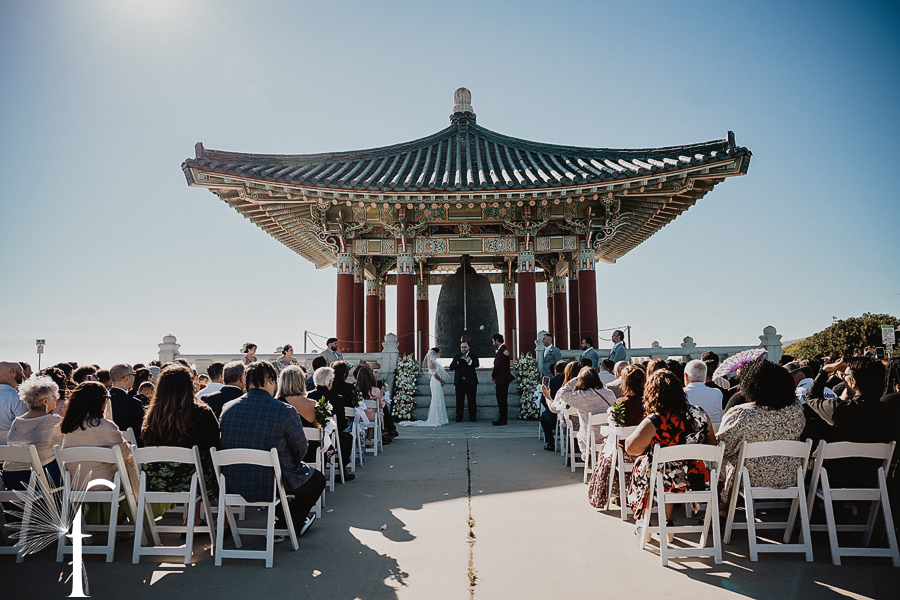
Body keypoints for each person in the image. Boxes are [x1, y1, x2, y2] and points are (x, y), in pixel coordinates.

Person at [219, 361, 326, 538]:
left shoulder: (227, 408)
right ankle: (288, 523)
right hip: (271, 481)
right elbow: (301, 448)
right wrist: (291, 461)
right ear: (271, 380)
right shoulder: (284, 410)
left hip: (233, 481)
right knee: (317, 480)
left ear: (245, 381)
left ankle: (287, 521)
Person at [626, 370, 717, 528]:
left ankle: (645, 520)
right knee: (666, 467)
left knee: (645, 463)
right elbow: (712, 447)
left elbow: (631, 448)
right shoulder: (700, 414)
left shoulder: (655, 420)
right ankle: (667, 519)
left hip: (665, 481)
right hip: (697, 480)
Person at [716, 358, 805, 506]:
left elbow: (724, 448)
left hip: (750, 479)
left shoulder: (743, 414)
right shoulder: (796, 411)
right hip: (789, 477)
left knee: (720, 458)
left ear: (751, 385)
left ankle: (721, 506)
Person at [803, 356, 896, 487]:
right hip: (872, 479)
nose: (843, 379)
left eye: (844, 376)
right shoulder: (890, 411)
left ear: (853, 382)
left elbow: (811, 397)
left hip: (834, 479)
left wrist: (823, 372)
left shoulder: (838, 409)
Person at [141, 365, 220, 500]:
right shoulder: (202, 413)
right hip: (193, 482)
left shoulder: (151, 416)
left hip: (155, 482)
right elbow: (215, 444)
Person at [1, 376, 63, 489]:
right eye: (55, 396)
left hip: (11, 478)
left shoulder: (17, 422)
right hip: (37, 479)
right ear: (45, 401)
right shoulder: (53, 421)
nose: (56, 400)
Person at [60, 382, 127, 486]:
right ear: (100, 401)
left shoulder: (69, 427)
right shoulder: (106, 426)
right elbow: (125, 454)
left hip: (76, 485)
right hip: (107, 484)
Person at [541, 366, 616, 457]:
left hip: (589, 437)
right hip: (608, 435)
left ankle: (586, 454)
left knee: (579, 435)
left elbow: (562, 393)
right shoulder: (609, 393)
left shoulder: (581, 396)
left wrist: (576, 378)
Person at [308, 366, 354, 479]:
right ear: (329, 382)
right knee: (347, 437)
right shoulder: (337, 398)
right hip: (332, 436)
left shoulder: (308, 396)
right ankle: (342, 470)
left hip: (311, 437)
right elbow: (342, 425)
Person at [402, 348, 449, 427]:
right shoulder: (432, 363)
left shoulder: (434, 362)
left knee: (438, 397)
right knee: (436, 398)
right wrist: (442, 380)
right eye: (439, 353)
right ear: (435, 354)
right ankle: (436, 418)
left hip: (436, 381)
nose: (440, 354)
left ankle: (440, 418)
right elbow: (435, 374)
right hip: (435, 381)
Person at [108, 364, 145, 446]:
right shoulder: (134, 403)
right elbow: (140, 430)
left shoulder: (102, 400)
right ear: (126, 378)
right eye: (133, 374)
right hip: (131, 448)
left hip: (106, 447)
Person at [683, 360, 724, 424]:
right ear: (706, 378)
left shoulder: (682, 394)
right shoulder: (717, 393)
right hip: (716, 429)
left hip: (691, 429)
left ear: (686, 376)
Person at [449, 340, 479, 422]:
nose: (463, 349)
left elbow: (477, 364)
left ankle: (472, 417)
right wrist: (457, 363)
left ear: (468, 347)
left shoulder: (473, 355)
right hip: (459, 382)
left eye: (465, 347)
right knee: (459, 400)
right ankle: (459, 417)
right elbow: (451, 367)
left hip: (470, 382)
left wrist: (470, 362)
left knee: (472, 400)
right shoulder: (457, 356)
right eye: (462, 347)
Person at [0, 361, 27, 443]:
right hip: (10, 447)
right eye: (22, 371)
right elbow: (25, 427)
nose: (23, 375)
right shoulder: (18, 399)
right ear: (13, 372)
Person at [491, 333, 513, 426]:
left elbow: (498, 365)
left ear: (497, 340)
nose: (493, 343)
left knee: (502, 399)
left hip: (502, 379)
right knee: (501, 399)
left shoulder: (503, 350)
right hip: (501, 379)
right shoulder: (502, 350)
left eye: (493, 341)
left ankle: (503, 419)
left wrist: (493, 376)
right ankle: (502, 418)